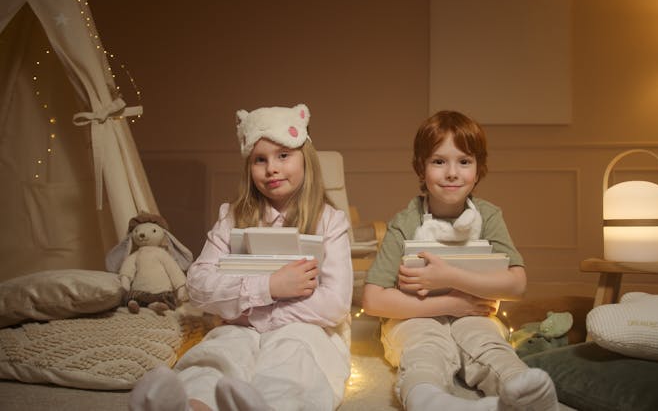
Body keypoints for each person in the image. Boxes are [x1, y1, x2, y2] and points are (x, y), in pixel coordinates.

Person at [130, 104, 353, 411]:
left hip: (304, 329)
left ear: (306, 159)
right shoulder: (232, 216)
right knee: (219, 355)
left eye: (283, 155)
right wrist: (268, 288)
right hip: (238, 328)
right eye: (259, 159)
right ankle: (191, 405)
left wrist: (256, 313)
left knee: (291, 358)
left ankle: (269, 406)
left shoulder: (330, 221)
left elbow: (336, 303)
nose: (271, 168)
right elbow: (198, 285)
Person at [362, 110, 558, 411]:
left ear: (478, 169)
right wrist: (450, 304)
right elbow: (374, 300)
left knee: (488, 345)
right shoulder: (405, 221)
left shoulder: (489, 216)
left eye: (464, 161)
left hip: (475, 314)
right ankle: (431, 401)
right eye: (439, 161)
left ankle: (525, 397)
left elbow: (517, 284)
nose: (452, 173)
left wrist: (449, 278)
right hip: (413, 317)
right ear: (420, 168)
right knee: (424, 349)